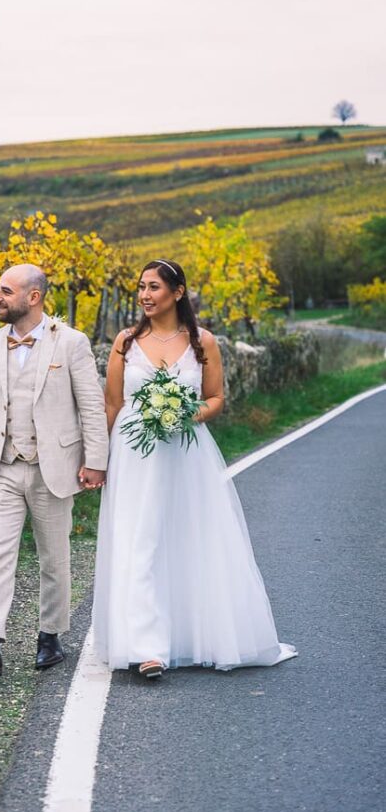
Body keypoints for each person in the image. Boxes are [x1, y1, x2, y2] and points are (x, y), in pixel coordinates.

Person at [92, 259, 297, 678]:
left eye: (153, 287)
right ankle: (146, 647)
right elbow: (112, 404)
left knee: (190, 537)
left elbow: (216, 398)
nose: (145, 295)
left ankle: (194, 636)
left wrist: (183, 414)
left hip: (186, 453)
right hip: (134, 454)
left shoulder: (202, 341)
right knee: (140, 540)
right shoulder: (125, 343)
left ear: (177, 292)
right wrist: (98, 460)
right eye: (141, 287)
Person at [0, 263, 108, 677]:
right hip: (1, 466)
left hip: (52, 466)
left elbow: (91, 405)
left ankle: (50, 636)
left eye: (6, 291)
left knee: (53, 557)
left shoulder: (71, 343)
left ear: (33, 297)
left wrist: (96, 460)